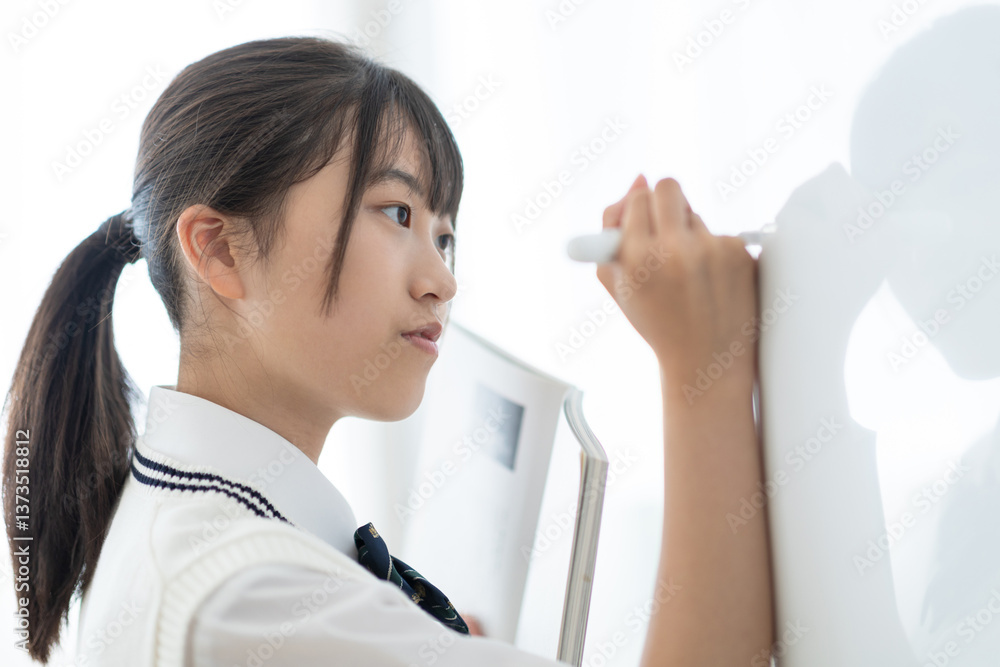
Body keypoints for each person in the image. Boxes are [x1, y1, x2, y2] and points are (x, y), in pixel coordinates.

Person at [1, 36, 773, 666]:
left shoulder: (197, 533)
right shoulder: (248, 598)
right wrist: (704, 368)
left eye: (444, 235)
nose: (442, 280)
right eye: (397, 212)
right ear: (221, 249)